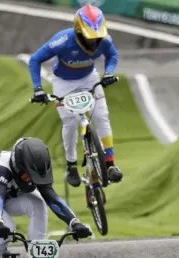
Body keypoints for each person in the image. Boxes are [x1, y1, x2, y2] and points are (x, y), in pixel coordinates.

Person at [28, 4, 122, 188]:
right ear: (79, 32)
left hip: (89, 79)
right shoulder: (63, 40)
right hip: (63, 83)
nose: (95, 42)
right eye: (90, 37)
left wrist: (109, 72)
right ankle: (71, 165)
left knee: (102, 117)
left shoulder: (104, 40)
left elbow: (113, 56)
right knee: (70, 123)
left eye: (98, 37)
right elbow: (35, 59)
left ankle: (110, 164)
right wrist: (38, 88)